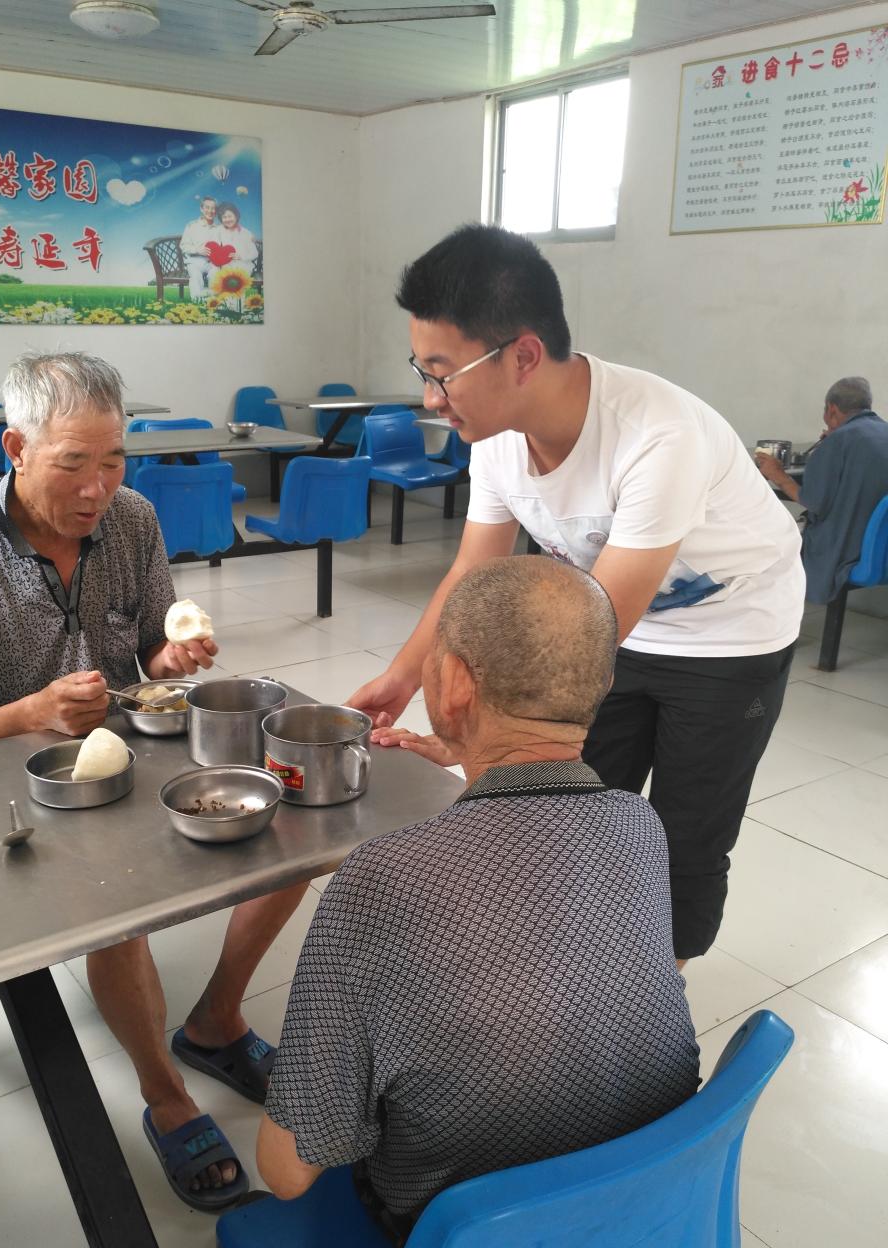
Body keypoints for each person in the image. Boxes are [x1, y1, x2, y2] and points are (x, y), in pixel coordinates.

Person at [0, 352, 305, 1211]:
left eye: (113, 460)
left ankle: (216, 1019)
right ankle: (166, 1092)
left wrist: (174, 657)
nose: (97, 489)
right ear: (16, 448)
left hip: (127, 744)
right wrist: (36, 710)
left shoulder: (133, 519)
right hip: (11, 772)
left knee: (294, 830)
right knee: (116, 905)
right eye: (73, 464)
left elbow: (149, 652)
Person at [340, 224, 805, 968]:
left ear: (523, 355)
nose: (431, 399)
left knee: (684, 837)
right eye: (422, 371)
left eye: (444, 374)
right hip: (608, 623)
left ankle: (657, 993)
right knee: (566, 803)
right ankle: (575, 962)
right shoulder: (495, 436)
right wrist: (402, 680)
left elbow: (588, 636)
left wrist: (478, 738)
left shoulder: (657, 435)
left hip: (729, 636)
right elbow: (470, 575)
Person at [257, 556, 701, 1241]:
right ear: (602, 684)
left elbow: (287, 1170)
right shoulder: (640, 825)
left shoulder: (383, 879)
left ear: (457, 682)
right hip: (638, 1216)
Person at [756, 376, 888, 604]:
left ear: (831, 409)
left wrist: (778, 475)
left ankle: (776, 620)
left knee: (772, 544)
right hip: (881, 549)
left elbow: (813, 502)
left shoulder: (838, 441)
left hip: (844, 550)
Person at [179, 195, 225, 300]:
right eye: (207, 207)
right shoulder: (192, 225)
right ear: (201, 209)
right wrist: (198, 250)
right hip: (194, 262)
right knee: (195, 277)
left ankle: (214, 303)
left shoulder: (220, 228)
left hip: (212, 263)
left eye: (213, 208)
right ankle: (197, 303)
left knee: (215, 275)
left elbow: (226, 245)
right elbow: (183, 245)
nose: (210, 211)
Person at [215, 201, 259, 275]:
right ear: (221, 219)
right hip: (226, 267)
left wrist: (240, 256)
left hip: (243, 266)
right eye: (224, 217)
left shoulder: (246, 233)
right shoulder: (219, 230)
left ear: (236, 216)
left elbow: (254, 253)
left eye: (230, 216)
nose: (227, 219)